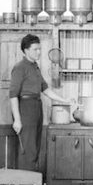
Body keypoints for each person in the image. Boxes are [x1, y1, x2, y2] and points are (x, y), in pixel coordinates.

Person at [9, 34, 73, 173]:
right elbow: (13, 95)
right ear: (26, 50)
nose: (39, 52)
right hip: (25, 108)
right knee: (28, 148)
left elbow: (45, 89)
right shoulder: (20, 67)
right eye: (35, 49)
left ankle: (32, 182)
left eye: (39, 49)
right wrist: (17, 120)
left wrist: (64, 100)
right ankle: (25, 183)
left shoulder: (35, 67)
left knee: (35, 146)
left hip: (37, 106)